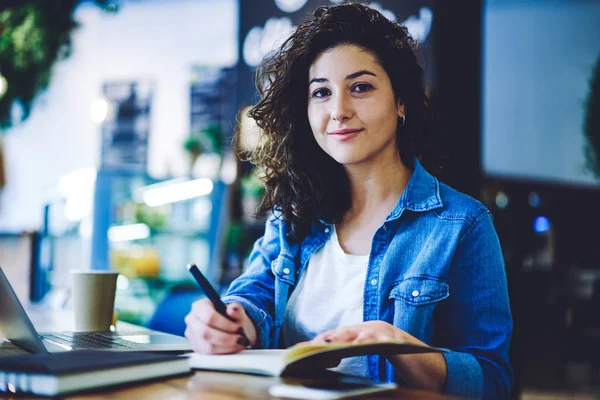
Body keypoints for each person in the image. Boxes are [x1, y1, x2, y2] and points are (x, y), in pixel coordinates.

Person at [184, 3, 513, 399]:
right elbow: (255, 296)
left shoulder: (462, 225)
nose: (338, 111)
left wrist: (399, 346)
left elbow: (493, 383)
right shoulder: (293, 215)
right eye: (321, 92)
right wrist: (230, 321)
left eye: (361, 87)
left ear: (401, 102)